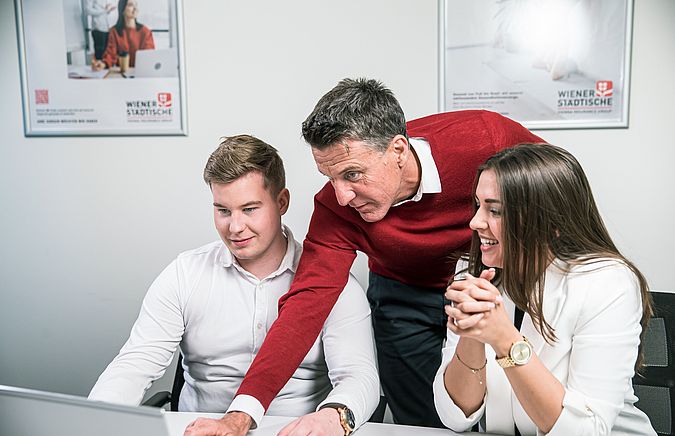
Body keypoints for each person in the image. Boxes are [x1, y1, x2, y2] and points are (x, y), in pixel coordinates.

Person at [186, 78, 545, 435]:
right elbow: (305, 305)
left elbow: (560, 192)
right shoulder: (335, 209)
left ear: (398, 151)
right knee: (431, 424)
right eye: (330, 178)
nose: (341, 196)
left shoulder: (484, 137)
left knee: (516, 407)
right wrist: (243, 412)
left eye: (352, 174)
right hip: (402, 295)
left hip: (495, 284)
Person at [88, 135, 379, 436]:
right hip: (200, 431)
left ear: (282, 202)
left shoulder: (330, 281)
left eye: (250, 209)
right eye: (223, 211)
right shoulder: (185, 274)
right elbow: (134, 365)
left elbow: (359, 377)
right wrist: (94, 422)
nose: (235, 227)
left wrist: (333, 417)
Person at [435, 143, 655, 435]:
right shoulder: (473, 273)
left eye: (495, 210)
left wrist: (504, 340)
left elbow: (585, 431)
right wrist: (473, 336)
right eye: (478, 205)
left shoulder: (608, 283)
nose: (475, 222)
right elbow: (455, 415)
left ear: (552, 223)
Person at [91, 0, 154, 71]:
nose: (135, 8)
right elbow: (111, 54)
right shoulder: (114, 31)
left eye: (136, 5)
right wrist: (103, 64)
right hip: (122, 73)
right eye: (131, 5)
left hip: (142, 72)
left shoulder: (145, 31)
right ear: (122, 9)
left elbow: (149, 55)